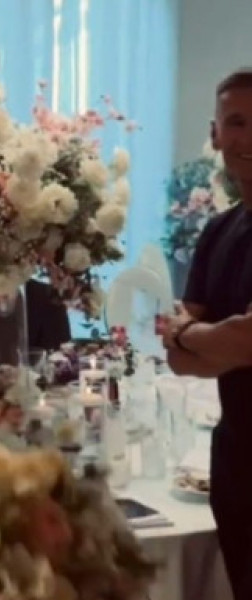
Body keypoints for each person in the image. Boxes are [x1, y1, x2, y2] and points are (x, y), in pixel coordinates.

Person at [159, 68, 252, 599]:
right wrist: (205, 336)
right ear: (215, 134)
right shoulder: (219, 230)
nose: (248, 137)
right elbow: (177, 357)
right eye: (236, 122)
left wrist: (191, 331)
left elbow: (245, 341)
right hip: (235, 463)